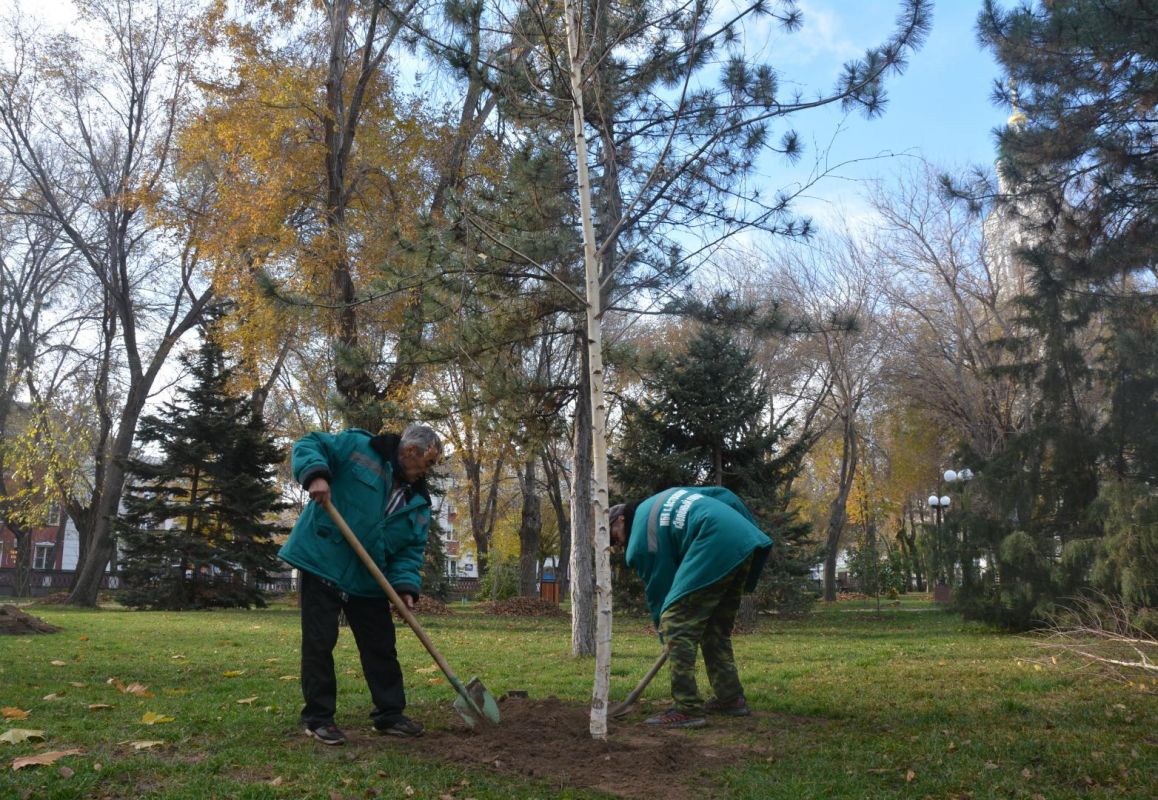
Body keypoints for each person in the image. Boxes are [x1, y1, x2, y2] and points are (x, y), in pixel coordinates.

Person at [279, 423, 442, 745]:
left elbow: (409, 551)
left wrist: (405, 587)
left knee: (380, 645)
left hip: (369, 577)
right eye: (429, 462)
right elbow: (309, 444)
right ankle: (319, 718)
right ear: (411, 451)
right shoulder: (359, 448)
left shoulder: (419, 503)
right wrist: (316, 475)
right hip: (324, 559)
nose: (429, 470)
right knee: (319, 642)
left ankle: (390, 714)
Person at [609, 486, 772, 728]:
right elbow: (724, 495)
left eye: (614, 538)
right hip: (742, 539)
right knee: (714, 628)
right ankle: (730, 698)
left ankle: (686, 708)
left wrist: (668, 633)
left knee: (676, 623)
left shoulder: (640, 542)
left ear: (621, 519)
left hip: (713, 541)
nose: (618, 545)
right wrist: (747, 529)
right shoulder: (659, 499)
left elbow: (660, 590)